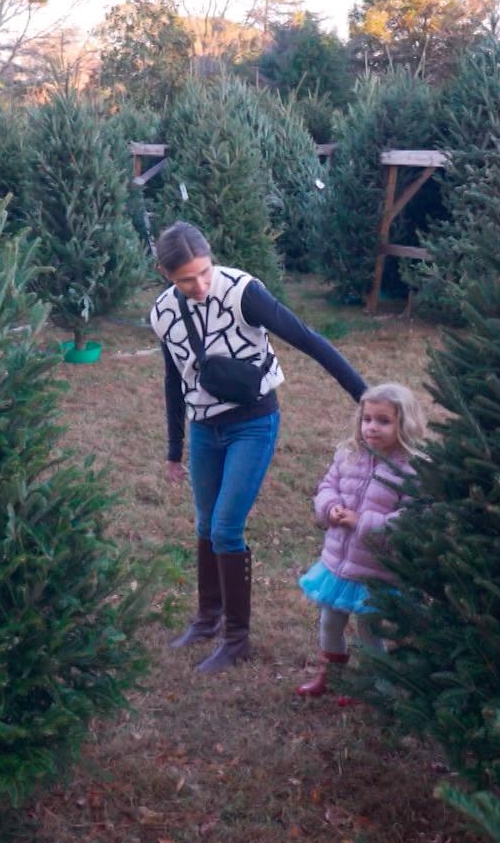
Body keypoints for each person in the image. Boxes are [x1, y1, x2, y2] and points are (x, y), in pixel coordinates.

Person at [149, 221, 368, 674]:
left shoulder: (243, 292)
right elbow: (174, 379)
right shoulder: (164, 313)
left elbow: (307, 339)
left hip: (252, 422)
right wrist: (174, 449)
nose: (200, 285)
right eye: (186, 279)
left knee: (226, 528)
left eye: (205, 272)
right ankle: (207, 619)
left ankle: (237, 639)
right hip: (204, 429)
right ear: (165, 274)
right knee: (206, 525)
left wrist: (365, 398)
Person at [295, 383, 425, 703]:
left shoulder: (411, 470)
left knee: (369, 629)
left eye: (383, 421)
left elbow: (413, 518)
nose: (372, 427)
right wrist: (331, 507)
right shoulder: (349, 455)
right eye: (367, 419)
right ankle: (333, 675)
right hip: (338, 563)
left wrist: (363, 522)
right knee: (329, 622)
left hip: (375, 570)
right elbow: (327, 486)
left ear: (404, 424)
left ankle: (375, 685)